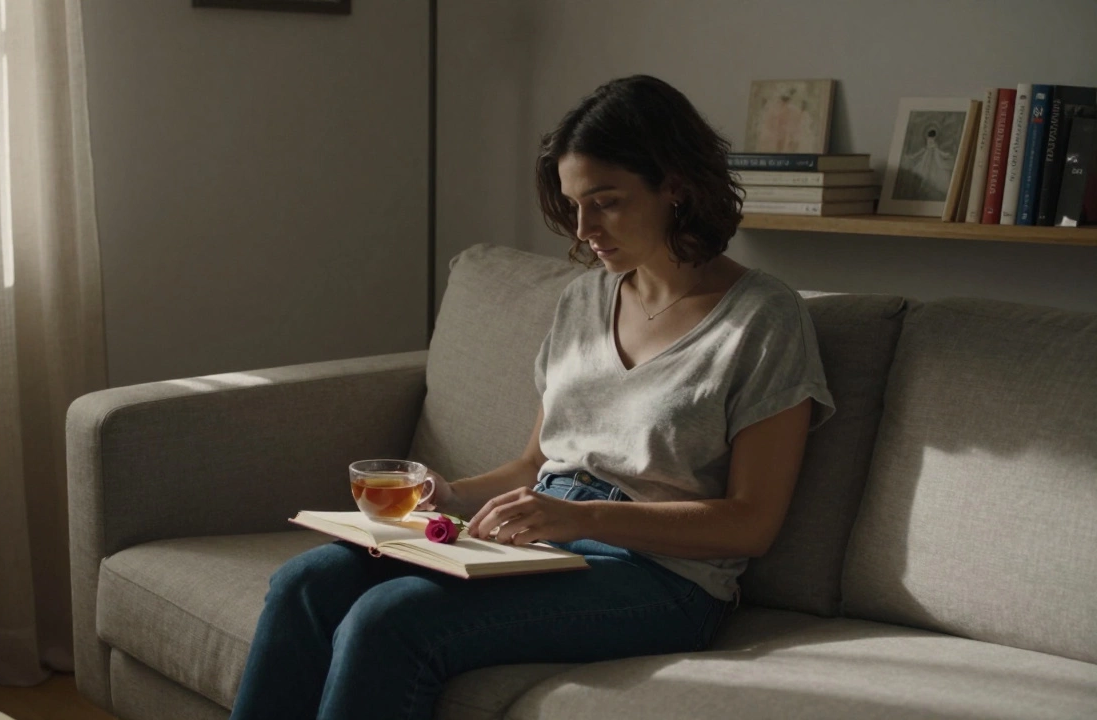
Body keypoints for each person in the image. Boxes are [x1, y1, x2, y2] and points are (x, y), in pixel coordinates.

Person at [227, 74, 835, 720]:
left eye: (605, 202)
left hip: (662, 577)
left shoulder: (763, 318)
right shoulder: (584, 299)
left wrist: (580, 520)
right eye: (574, 204)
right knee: (305, 584)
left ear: (676, 186)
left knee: (389, 621)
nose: (584, 228)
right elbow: (534, 464)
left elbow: (751, 522)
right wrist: (450, 494)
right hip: (542, 544)